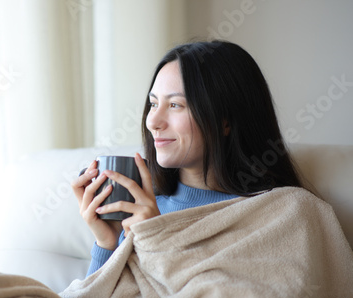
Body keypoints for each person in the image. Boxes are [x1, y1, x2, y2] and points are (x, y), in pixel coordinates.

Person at [71, 40, 306, 277]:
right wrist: (108, 244)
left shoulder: (281, 215)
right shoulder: (141, 209)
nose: (152, 122)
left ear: (225, 121)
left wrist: (159, 240)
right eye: (153, 104)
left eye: (175, 105)